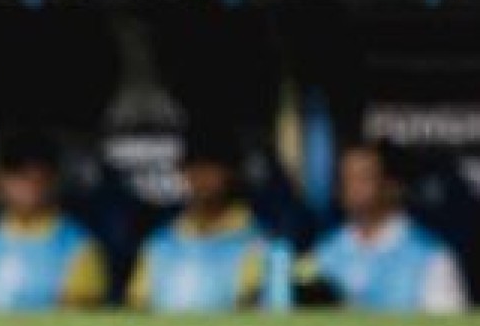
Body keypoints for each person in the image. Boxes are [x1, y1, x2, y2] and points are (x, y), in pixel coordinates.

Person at [308, 143, 469, 315]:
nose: (353, 187)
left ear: (392, 187)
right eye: (346, 178)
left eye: (364, 178)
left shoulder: (430, 254)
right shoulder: (324, 249)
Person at [0, 135, 107, 312]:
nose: (28, 181)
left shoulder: (79, 248)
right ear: (0, 180)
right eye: (17, 171)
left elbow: (82, 325)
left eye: (38, 172)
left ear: (54, 179)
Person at [128, 131, 269, 313]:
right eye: (194, 167)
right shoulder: (159, 243)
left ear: (230, 172)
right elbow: (138, 306)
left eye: (211, 167)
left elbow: (258, 308)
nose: (202, 177)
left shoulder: (257, 241)